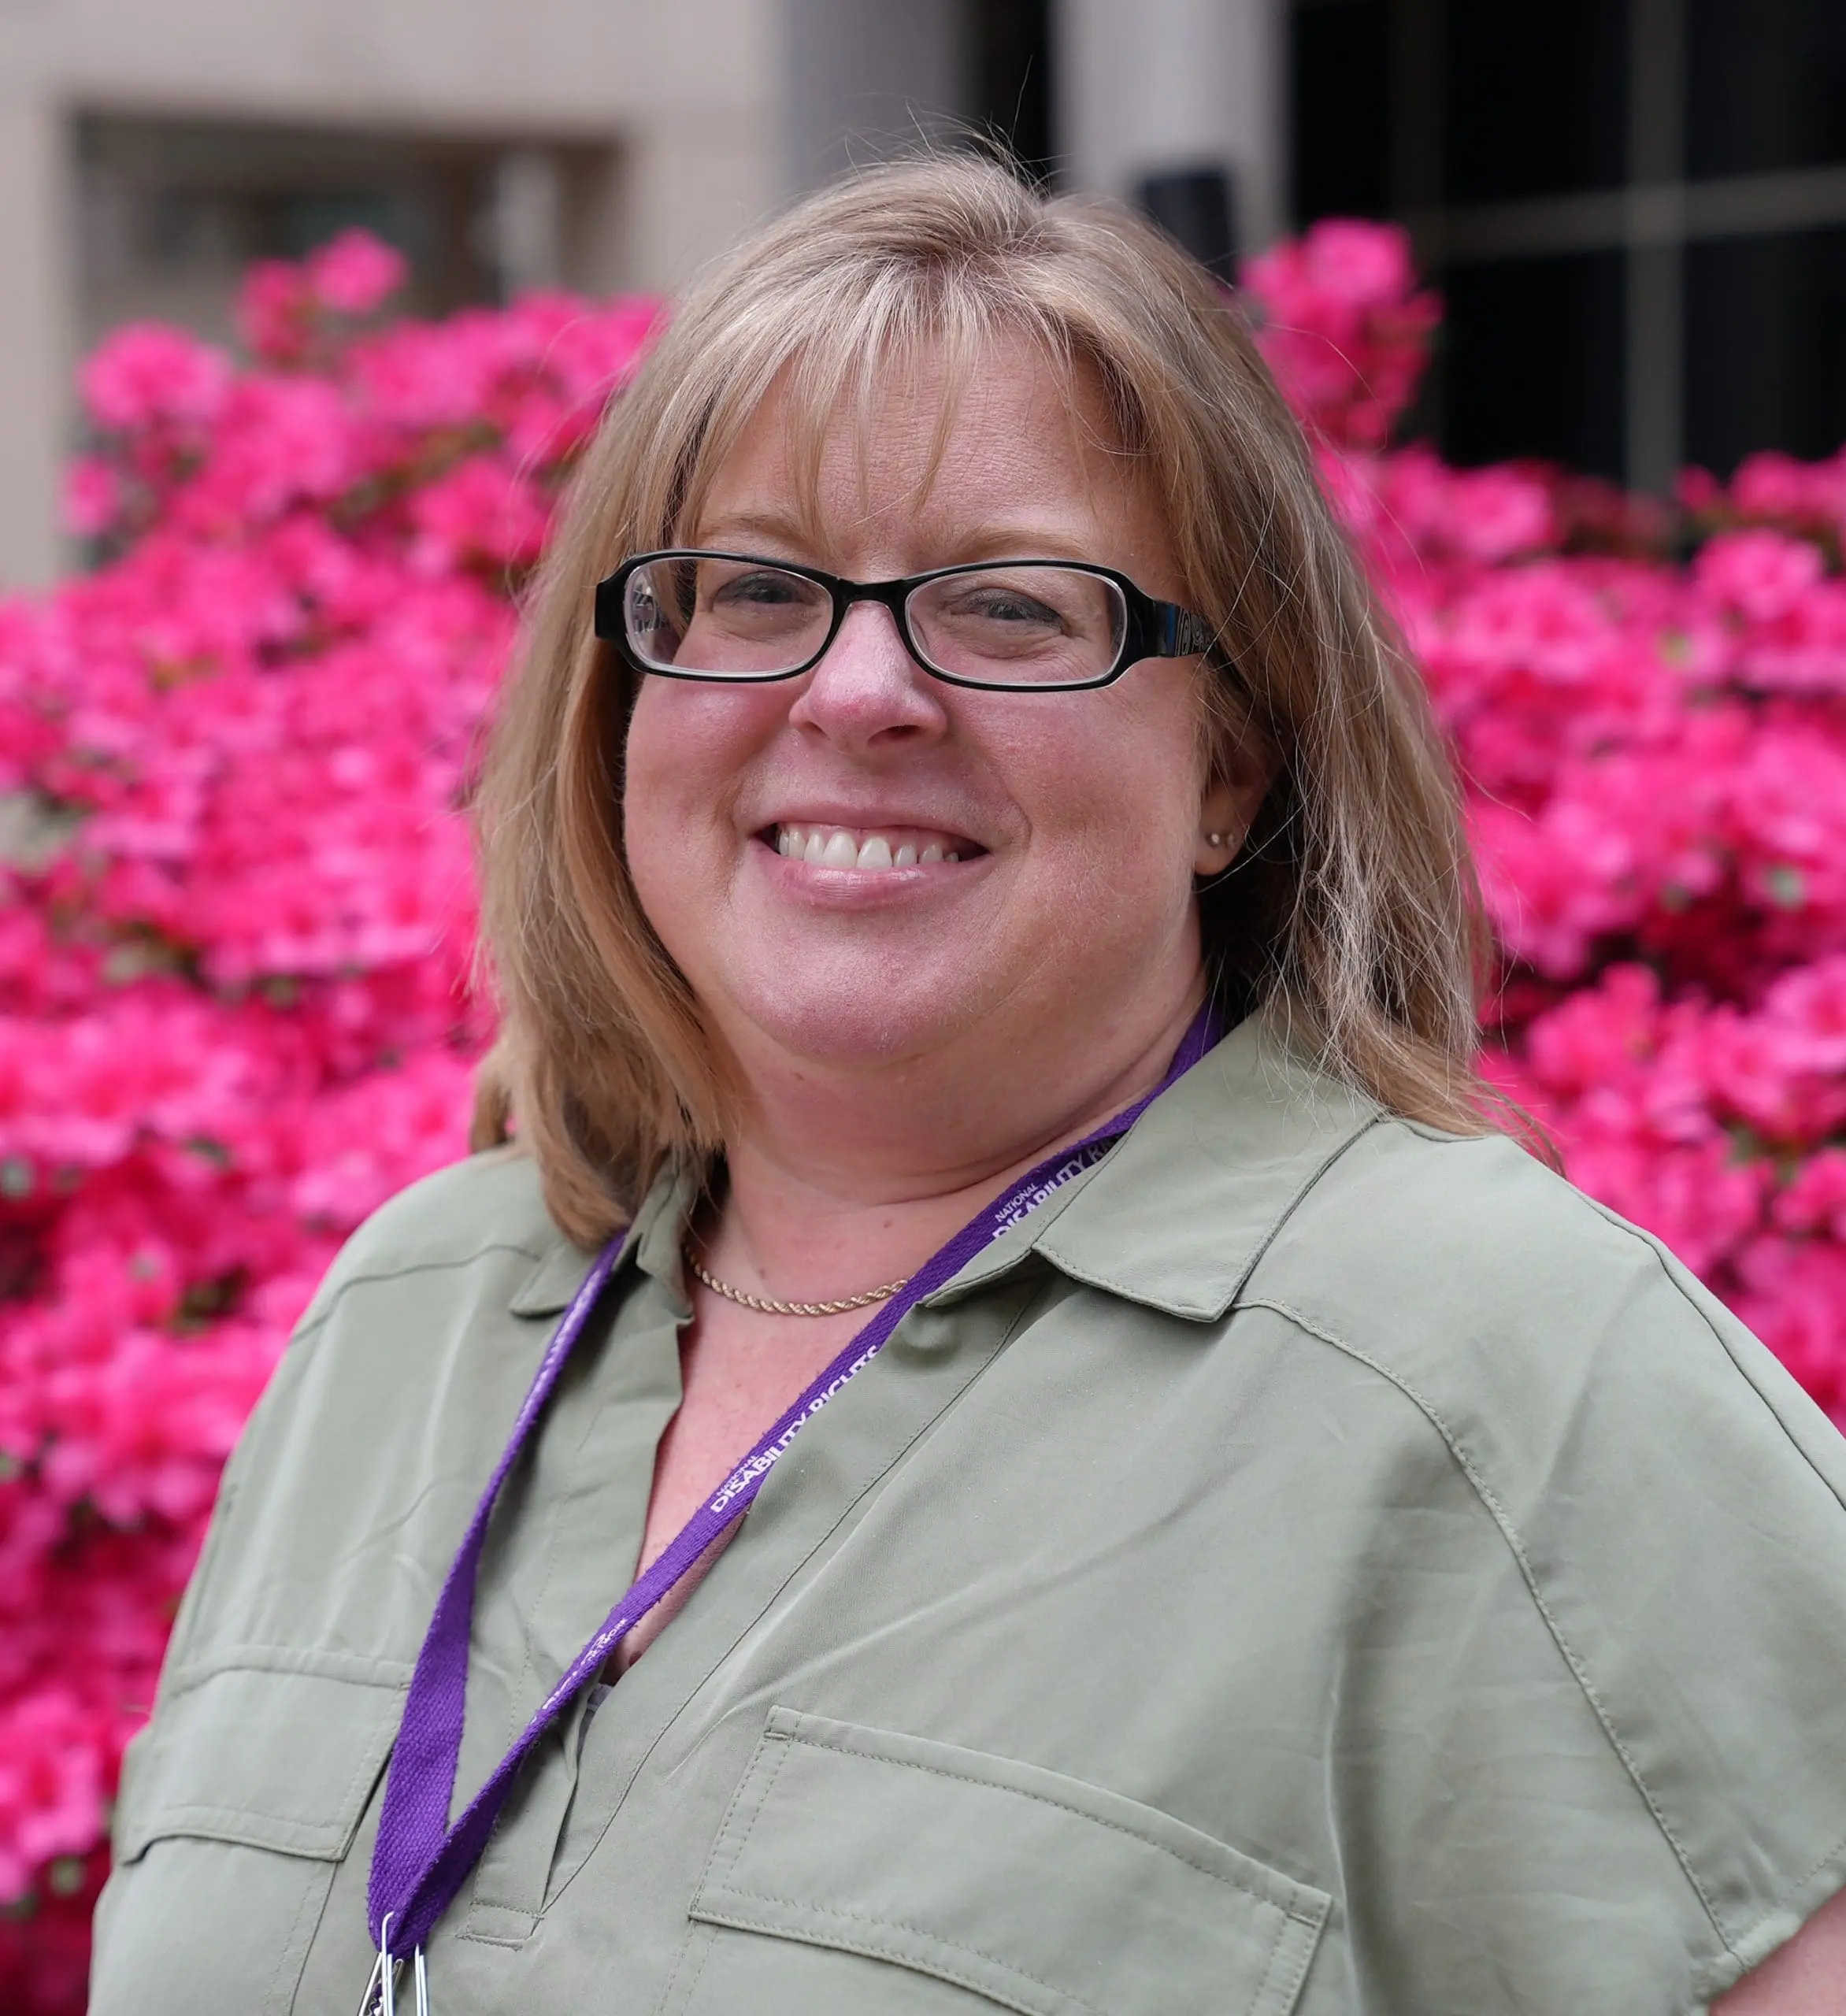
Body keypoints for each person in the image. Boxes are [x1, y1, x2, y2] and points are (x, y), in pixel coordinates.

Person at [90, 157, 1846, 2016]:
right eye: (754, 589)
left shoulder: (1498, 1368)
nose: (854, 693)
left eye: (1009, 607)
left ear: (1229, 767)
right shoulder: (415, 1309)